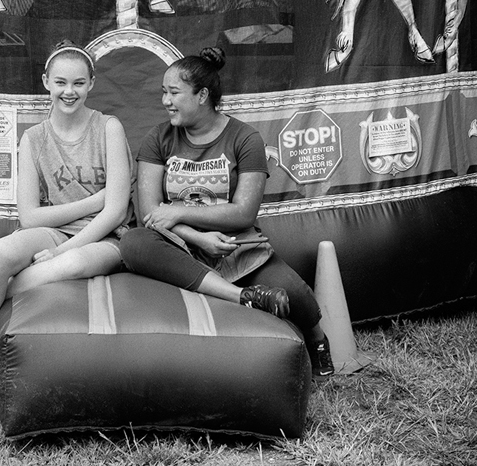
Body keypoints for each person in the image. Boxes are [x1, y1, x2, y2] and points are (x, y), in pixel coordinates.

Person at [0, 43, 131, 408]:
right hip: (56, 228)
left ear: (92, 84)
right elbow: (30, 217)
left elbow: (114, 213)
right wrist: (94, 200)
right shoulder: (34, 138)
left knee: (69, 264)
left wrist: (62, 250)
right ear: (46, 82)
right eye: (61, 82)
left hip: (105, 238)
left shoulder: (108, 128)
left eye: (78, 83)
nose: (69, 92)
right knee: (0, 253)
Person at [120, 46, 333, 376]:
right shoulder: (158, 138)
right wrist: (195, 237)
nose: (165, 101)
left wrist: (178, 212)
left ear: (202, 95)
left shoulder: (245, 138)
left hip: (235, 248)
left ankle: (317, 340)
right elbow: (150, 212)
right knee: (134, 242)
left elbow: (243, 213)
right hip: (180, 247)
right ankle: (243, 296)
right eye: (164, 92)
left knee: (294, 296)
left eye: (174, 92)